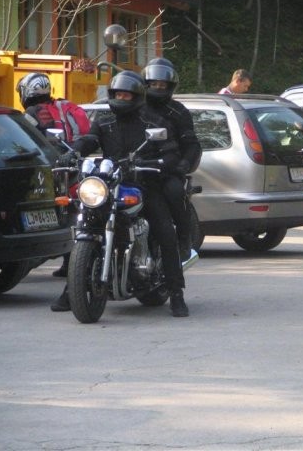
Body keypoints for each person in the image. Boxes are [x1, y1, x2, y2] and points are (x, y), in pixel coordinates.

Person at [60, 71, 191, 317]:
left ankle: (176, 293)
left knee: (164, 230)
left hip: (145, 185)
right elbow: (89, 139)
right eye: (118, 94)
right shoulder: (105, 121)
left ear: (138, 97)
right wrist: (73, 152)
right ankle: (72, 290)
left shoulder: (153, 123)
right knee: (83, 222)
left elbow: (172, 151)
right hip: (110, 184)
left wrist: (158, 162)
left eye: (126, 94)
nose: (121, 98)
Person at [15, 72, 91, 300]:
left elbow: (27, 142)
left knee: (55, 213)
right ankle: (70, 261)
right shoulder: (65, 106)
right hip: (77, 166)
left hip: (53, 169)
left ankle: (61, 259)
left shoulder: (34, 113)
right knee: (74, 212)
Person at [142, 57, 202, 260]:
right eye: (154, 84)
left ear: (170, 86)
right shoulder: (136, 108)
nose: (158, 88)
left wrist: (183, 164)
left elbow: (191, 143)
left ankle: (184, 239)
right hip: (137, 167)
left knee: (175, 192)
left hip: (166, 167)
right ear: (145, 84)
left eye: (162, 84)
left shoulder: (178, 111)